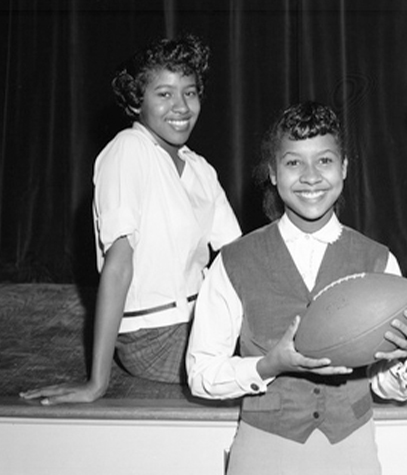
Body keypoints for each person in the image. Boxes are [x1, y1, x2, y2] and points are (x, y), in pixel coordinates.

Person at [187, 101, 407, 474]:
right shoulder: (233, 261)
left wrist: (406, 355)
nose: (310, 176)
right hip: (265, 451)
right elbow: (201, 376)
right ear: (273, 172)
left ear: (344, 168)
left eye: (325, 161)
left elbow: (393, 389)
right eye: (294, 162)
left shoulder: (379, 261)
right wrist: (268, 366)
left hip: (352, 450)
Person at [20, 34, 241, 405]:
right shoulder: (127, 150)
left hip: (201, 321)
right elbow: (118, 267)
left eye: (189, 92)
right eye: (164, 93)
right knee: (271, 364)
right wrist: (96, 383)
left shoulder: (200, 168)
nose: (181, 106)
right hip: (152, 338)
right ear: (137, 101)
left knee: (288, 342)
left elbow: (240, 257)